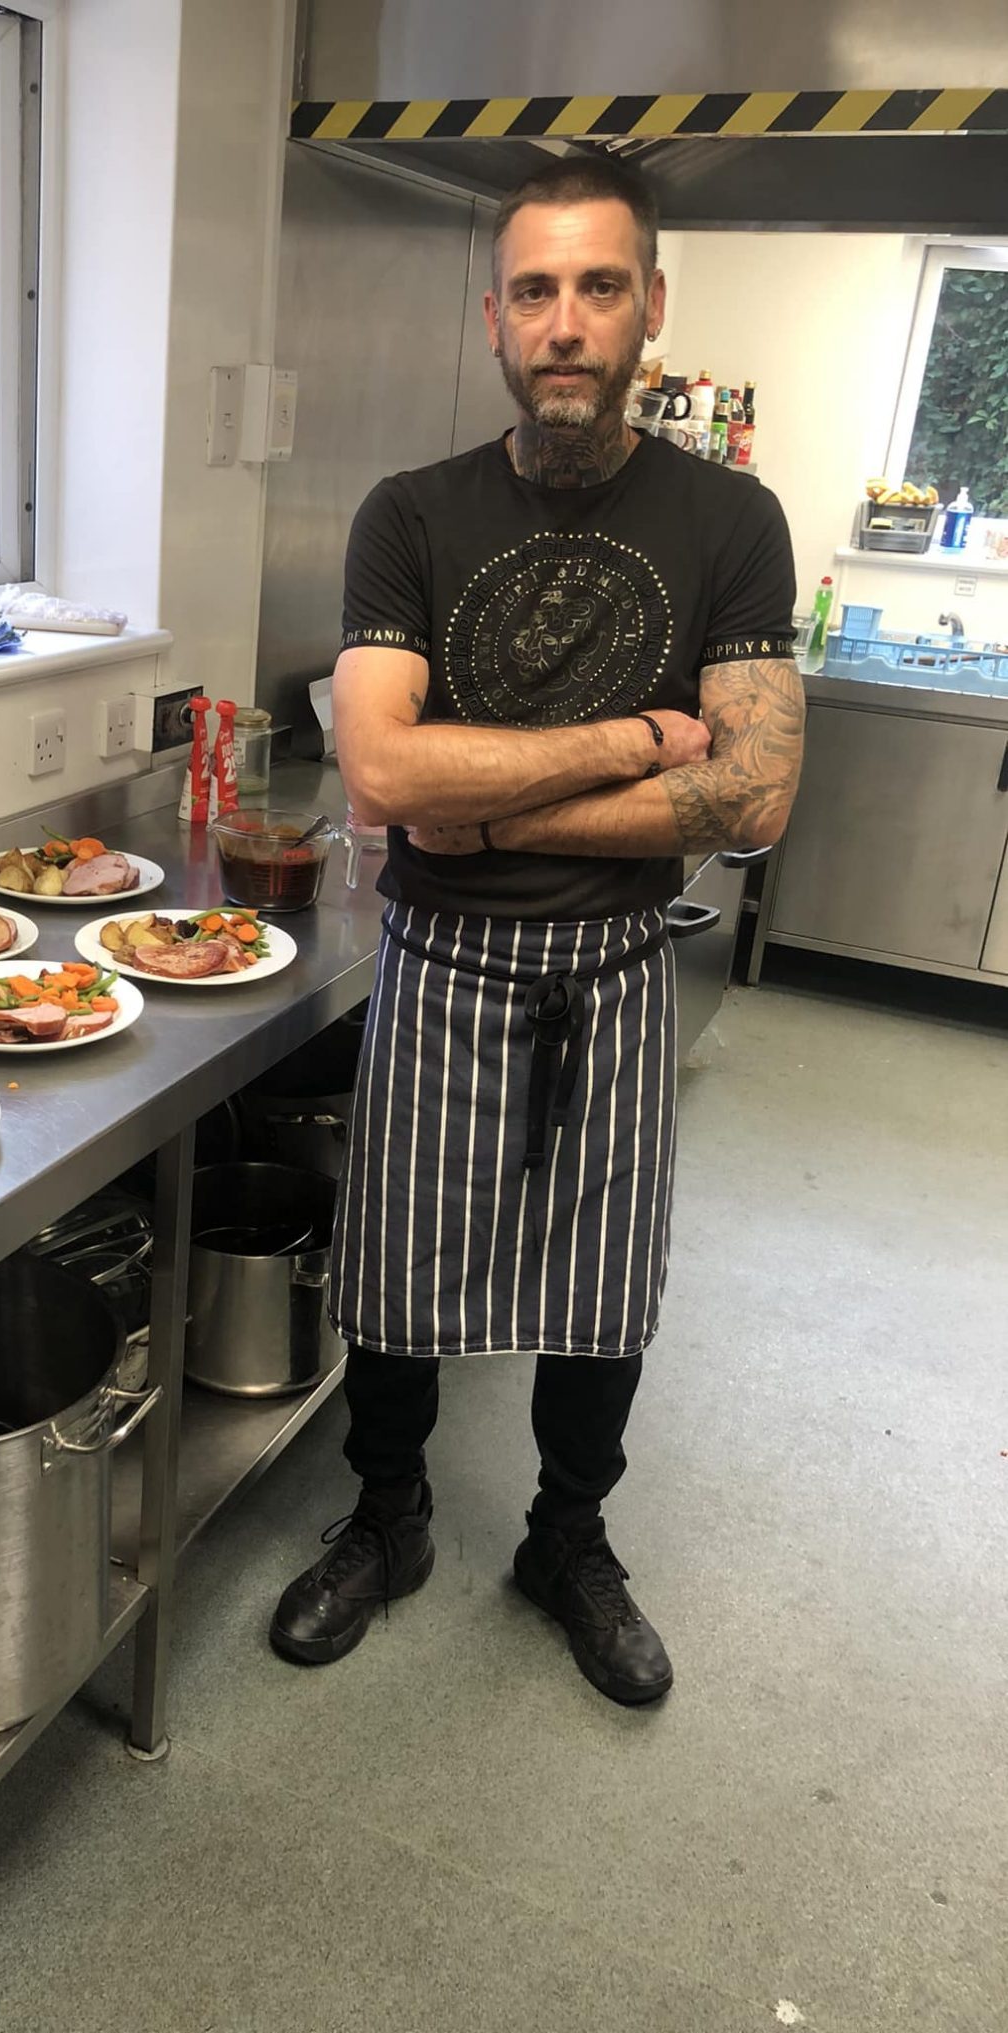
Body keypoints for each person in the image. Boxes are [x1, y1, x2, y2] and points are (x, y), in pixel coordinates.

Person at [269, 155, 804, 1704]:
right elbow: (381, 773)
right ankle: (387, 1517)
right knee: (395, 1269)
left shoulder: (729, 519)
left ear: (648, 306)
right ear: (493, 317)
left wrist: (493, 811)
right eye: (533, 290)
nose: (563, 322)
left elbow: (753, 793)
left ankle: (566, 1538)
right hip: (442, 963)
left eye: (596, 286)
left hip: (615, 968)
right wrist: (633, 743)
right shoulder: (410, 514)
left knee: (601, 1286)